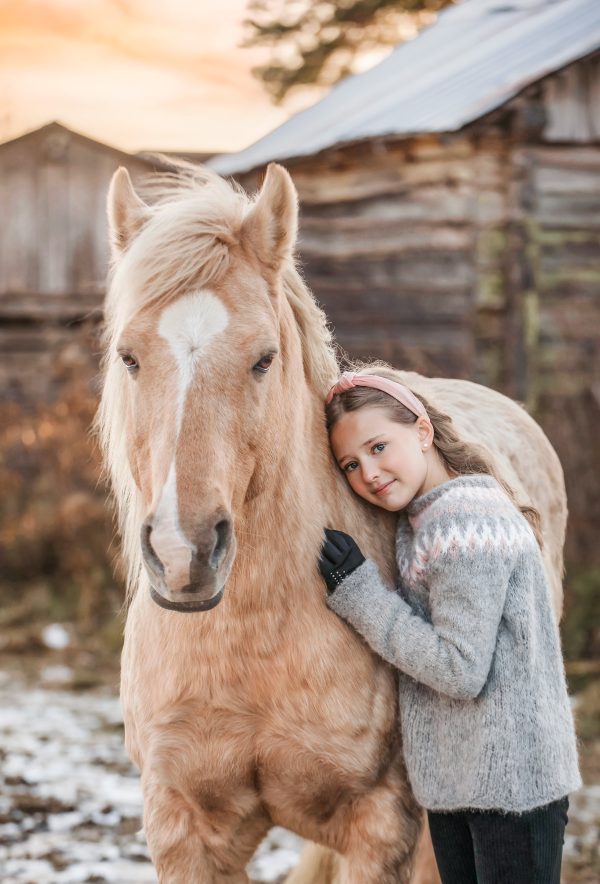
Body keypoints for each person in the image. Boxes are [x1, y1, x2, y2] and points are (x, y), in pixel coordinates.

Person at [318, 365, 581, 884]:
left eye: (378, 447)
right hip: (466, 785)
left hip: (512, 793)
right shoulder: (429, 518)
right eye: (349, 463)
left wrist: (362, 595)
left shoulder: (465, 524)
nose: (367, 473)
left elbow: (460, 669)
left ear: (422, 432)